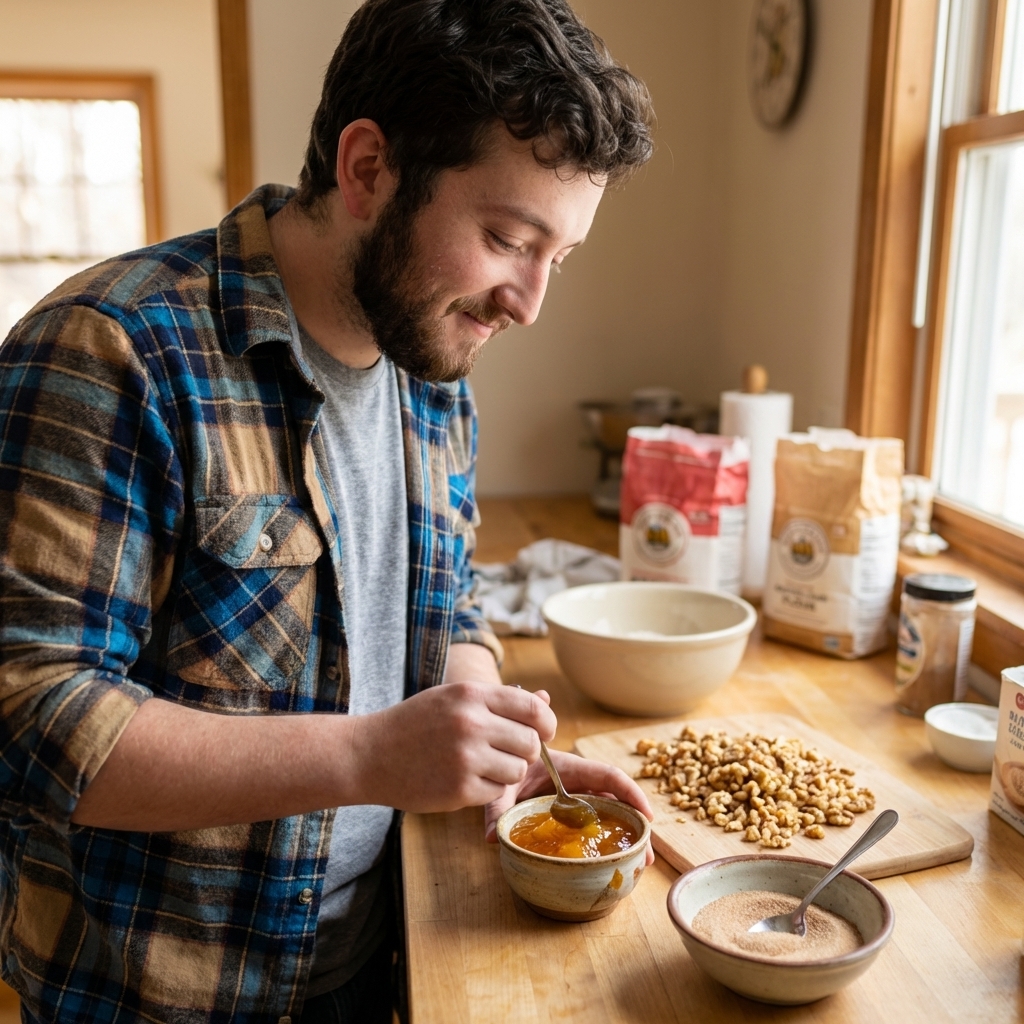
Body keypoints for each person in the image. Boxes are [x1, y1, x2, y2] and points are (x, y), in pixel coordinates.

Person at [0, 1, 655, 1021]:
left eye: (555, 259)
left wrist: (496, 747)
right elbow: (31, 716)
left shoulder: (432, 370)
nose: (527, 302)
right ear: (366, 169)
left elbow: (442, 603)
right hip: (158, 993)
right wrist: (367, 754)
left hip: (378, 955)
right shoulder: (111, 350)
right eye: (505, 238)